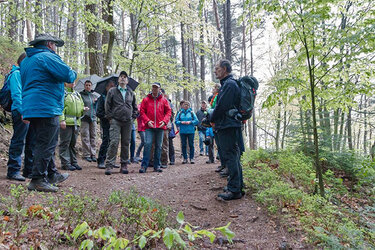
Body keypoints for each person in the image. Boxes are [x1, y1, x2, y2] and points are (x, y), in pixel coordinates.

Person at [21, 33, 77, 192]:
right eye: (54, 45)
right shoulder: (47, 57)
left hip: (32, 106)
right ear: (49, 44)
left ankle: (51, 174)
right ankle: (37, 179)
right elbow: (68, 75)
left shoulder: (26, 60)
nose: (55, 48)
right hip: (46, 105)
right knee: (47, 143)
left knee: (44, 141)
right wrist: (71, 70)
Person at [210, 59, 243, 200]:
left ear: (224, 69)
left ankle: (234, 190)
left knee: (231, 156)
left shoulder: (229, 85)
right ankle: (236, 186)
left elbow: (222, 106)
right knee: (233, 156)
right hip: (228, 124)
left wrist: (211, 119)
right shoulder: (228, 84)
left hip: (227, 125)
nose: (215, 71)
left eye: (217, 68)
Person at [6, 53, 35, 181]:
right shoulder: (16, 74)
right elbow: (16, 95)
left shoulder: (26, 76)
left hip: (29, 112)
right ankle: (13, 170)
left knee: (31, 141)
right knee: (19, 140)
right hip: (20, 112)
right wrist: (23, 112)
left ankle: (28, 170)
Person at [104, 71, 138, 175]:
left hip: (128, 121)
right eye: (121, 77)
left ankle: (124, 164)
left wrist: (132, 118)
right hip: (115, 120)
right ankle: (109, 165)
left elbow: (135, 107)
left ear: (127, 81)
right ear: (118, 80)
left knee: (126, 143)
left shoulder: (130, 92)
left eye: (125, 77)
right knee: (114, 142)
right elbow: (107, 105)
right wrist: (110, 118)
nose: (123, 78)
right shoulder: (112, 91)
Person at [139, 82, 171, 173]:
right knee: (148, 144)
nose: (155, 89)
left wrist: (164, 121)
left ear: (159, 89)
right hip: (149, 126)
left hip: (160, 126)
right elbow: (142, 111)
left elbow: (168, 111)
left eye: (156, 88)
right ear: (151, 88)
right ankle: (144, 165)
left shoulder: (164, 100)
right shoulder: (146, 99)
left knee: (159, 146)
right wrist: (147, 121)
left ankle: (157, 165)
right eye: (153, 87)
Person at [59, 82, 86, 171]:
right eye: (70, 81)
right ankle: (65, 163)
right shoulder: (63, 94)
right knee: (65, 143)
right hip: (66, 122)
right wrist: (62, 119)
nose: (73, 83)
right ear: (65, 83)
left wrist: (83, 109)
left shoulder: (77, 94)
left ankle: (73, 162)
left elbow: (81, 105)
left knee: (72, 143)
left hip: (76, 122)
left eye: (73, 81)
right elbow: (60, 107)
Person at [96, 80, 115, 169]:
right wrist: (107, 117)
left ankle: (110, 161)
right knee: (106, 140)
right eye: (110, 86)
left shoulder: (115, 97)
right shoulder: (102, 97)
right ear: (106, 87)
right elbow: (98, 112)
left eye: (113, 86)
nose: (112, 88)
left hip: (115, 123)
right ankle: (101, 160)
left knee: (113, 141)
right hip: (105, 122)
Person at [80, 80, 98, 162]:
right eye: (86, 85)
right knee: (85, 136)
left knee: (93, 136)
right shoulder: (81, 95)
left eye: (89, 85)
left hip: (93, 117)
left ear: (91, 86)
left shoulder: (94, 95)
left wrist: (96, 102)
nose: (88, 86)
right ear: (84, 86)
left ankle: (93, 154)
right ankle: (86, 154)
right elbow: (79, 105)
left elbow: (97, 107)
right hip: (84, 117)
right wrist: (83, 108)